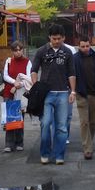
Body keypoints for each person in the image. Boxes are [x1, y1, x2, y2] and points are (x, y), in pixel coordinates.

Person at [31, 24, 76, 165]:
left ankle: (59, 155)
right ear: (49, 37)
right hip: (46, 93)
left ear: (63, 38)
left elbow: (71, 73)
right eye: (54, 38)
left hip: (63, 93)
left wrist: (73, 91)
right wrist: (35, 85)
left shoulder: (68, 52)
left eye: (59, 38)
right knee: (45, 123)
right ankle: (45, 152)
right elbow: (34, 70)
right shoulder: (41, 51)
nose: (56, 41)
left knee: (62, 127)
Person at [73, 36, 95, 159]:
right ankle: (87, 148)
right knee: (84, 122)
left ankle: (89, 143)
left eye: (87, 46)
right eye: (83, 47)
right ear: (79, 46)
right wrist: (74, 90)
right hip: (81, 94)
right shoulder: (75, 59)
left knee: (92, 122)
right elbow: (71, 75)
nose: (86, 49)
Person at [1, 40, 31, 152]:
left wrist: (19, 84)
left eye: (20, 49)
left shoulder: (27, 62)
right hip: (9, 91)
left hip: (21, 92)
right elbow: (5, 76)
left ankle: (19, 142)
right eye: (15, 50)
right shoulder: (9, 61)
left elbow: (28, 77)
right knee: (9, 118)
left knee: (19, 117)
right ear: (12, 51)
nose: (18, 52)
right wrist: (15, 82)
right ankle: (8, 144)